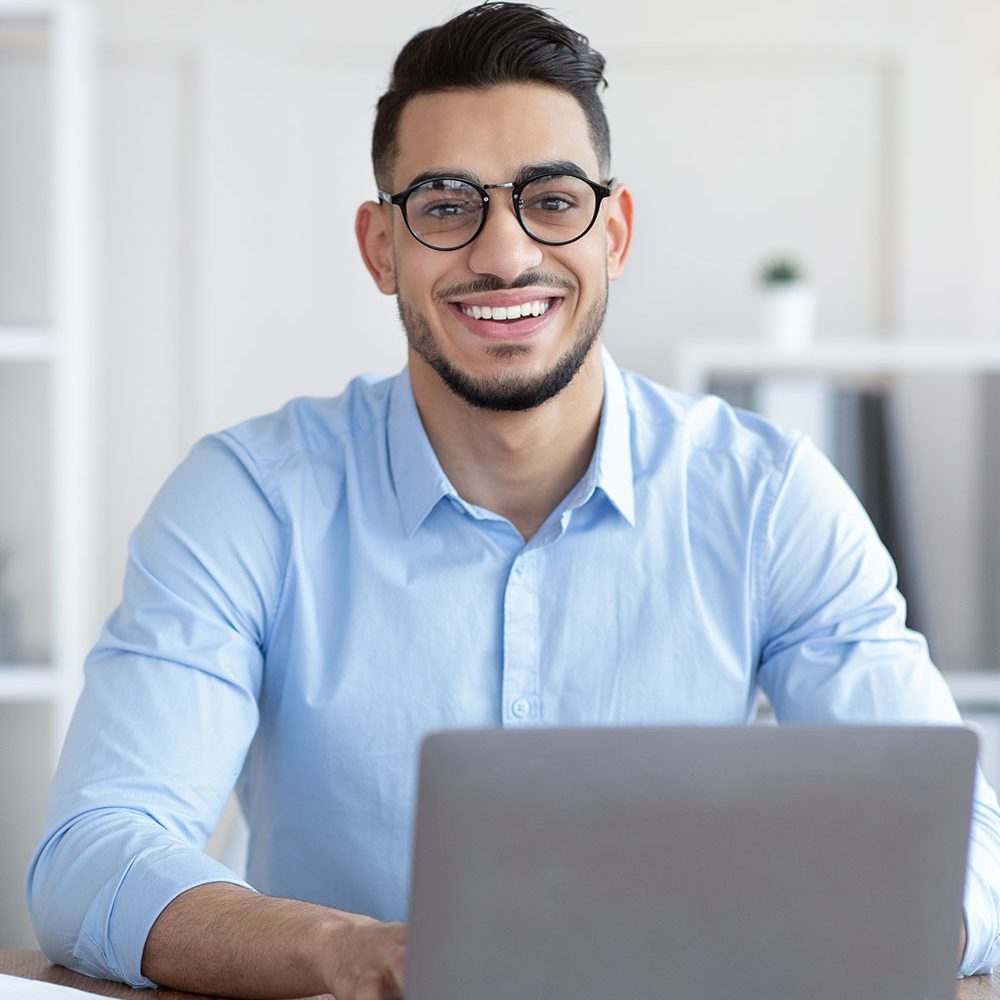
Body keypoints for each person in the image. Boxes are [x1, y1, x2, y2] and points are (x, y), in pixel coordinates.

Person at [26, 2, 1000, 997]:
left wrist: (828, 941)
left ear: (613, 232)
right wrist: (348, 951)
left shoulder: (768, 499)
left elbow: (964, 838)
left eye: (551, 199)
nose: (503, 254)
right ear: (380, 248)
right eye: (446, 204)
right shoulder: (246, 500)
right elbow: (95, 851)